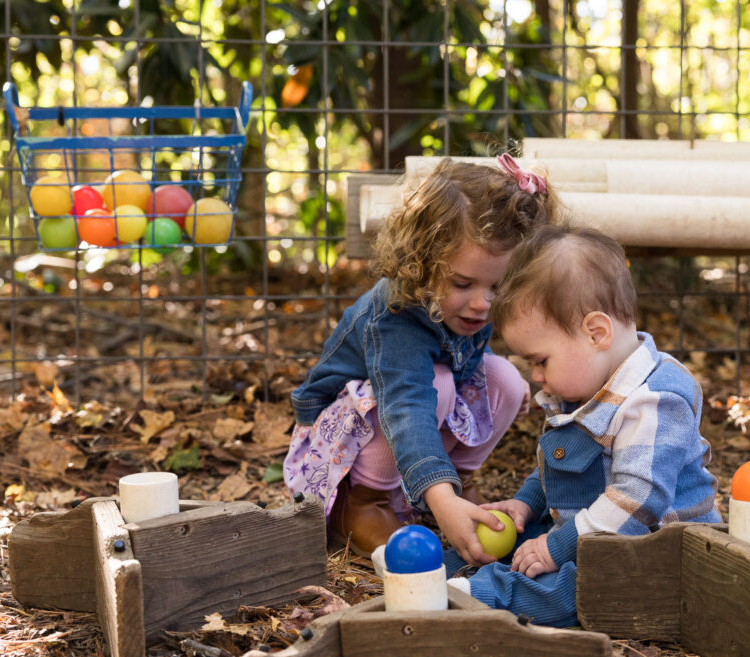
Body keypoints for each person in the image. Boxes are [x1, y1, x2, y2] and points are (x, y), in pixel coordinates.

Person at [284, 155, 559, 562]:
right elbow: (406, 407)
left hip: (405, 425)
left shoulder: (467, 305)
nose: (483, 303)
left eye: (498, 286)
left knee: (505, 379)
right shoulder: (395, 318)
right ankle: (364, 503)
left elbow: (471, 365)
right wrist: (437, 496)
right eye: (463, 283)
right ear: (423, 261)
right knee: (438, 382)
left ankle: (454, 487)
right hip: (338, 446)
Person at [445, 224, 721, 627]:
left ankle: (487, 595)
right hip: (590, 527)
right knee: (523, 540)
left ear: (596, 333)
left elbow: (635, 501)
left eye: (540, 360)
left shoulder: (657, 399)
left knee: (576, 589)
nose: (535, 376)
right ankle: (445, 569)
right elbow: (561, 464)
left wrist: (557, 546)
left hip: (651, 551)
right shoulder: (585, 385)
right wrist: (527, 503)